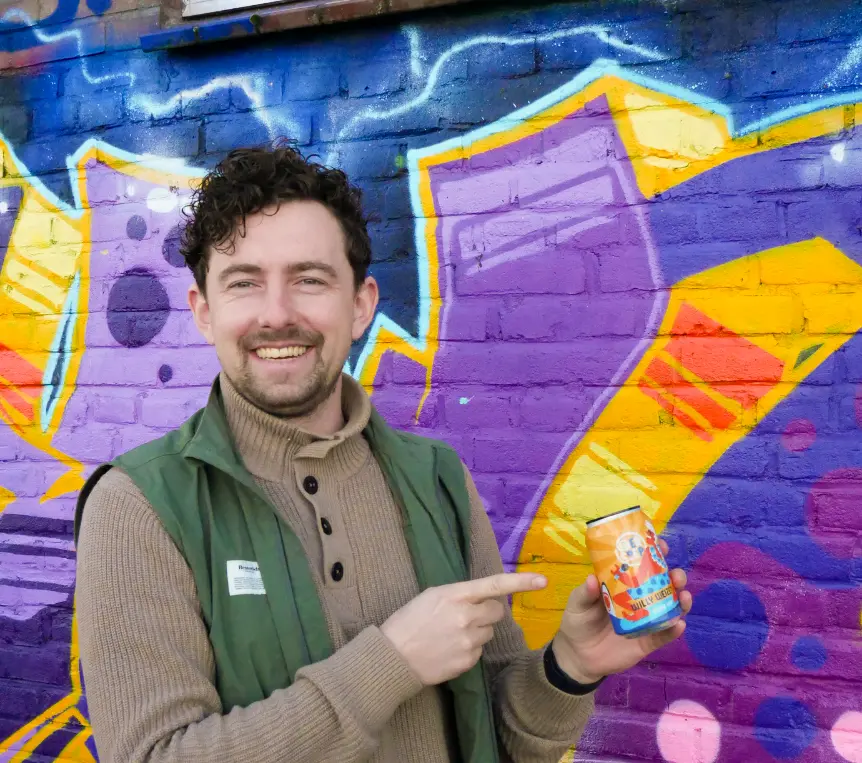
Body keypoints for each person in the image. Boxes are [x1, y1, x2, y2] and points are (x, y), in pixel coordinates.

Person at [74, 143, 692, 763]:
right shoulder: (139, 507)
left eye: (309, 280)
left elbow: (497, 739)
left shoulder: (436, 480)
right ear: (204, 312)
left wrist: (571, 668)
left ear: (361, 305)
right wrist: (390, 662)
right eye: (244, 284)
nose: (276, 314)